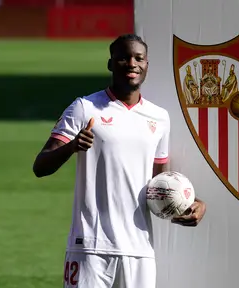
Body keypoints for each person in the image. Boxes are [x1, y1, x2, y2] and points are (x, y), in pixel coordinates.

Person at [33, 34, 206, 288]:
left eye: (139, 58)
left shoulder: (159, 118)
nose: (132, 63)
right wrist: (72, 147)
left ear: (147, 65)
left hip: (139, 250)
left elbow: (161, 183)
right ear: (111, 64)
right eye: (123, 58)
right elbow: (40, 166)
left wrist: (190, 203)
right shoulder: (84, 108)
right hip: (90, 248)